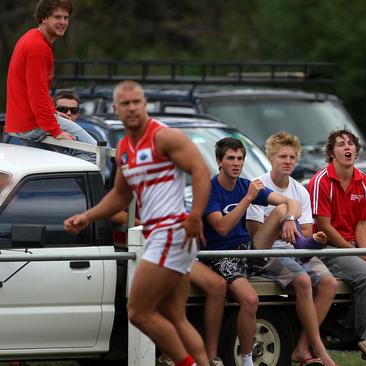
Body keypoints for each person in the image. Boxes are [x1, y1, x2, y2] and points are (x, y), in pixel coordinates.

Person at [64, 80, 211, 366]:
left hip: (172, 232)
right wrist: (87, 216)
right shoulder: (125, 149)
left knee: (138, 312)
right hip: (162, 235)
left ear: (145, 105)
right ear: (116, 109)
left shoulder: (164, 137)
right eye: (126, 103)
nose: (132, 108)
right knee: (174, 316)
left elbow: (201, 171)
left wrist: (195, 215)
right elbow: (120, 196)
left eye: (137, 102)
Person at [202, 137, 302, 366]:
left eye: (240, 159)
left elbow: (291, 202)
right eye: (231, 159)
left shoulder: (246, 185)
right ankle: (246, 359)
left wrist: (288, 219)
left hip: (248, 250)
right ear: (219, 161)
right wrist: (248, 199)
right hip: (220, 256)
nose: (236, 163)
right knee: (250, 299)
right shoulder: (211, 188)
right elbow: (222, 227)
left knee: (282, 209)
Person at [308, 129, 366, 366]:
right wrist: (358, 254)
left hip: (353, 246)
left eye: (351, 144)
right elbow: (324, 227)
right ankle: (365, 337)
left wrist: (364, 251)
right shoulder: (321, 180)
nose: (347, 148)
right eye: (340, 144)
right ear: (331, 152)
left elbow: (362, 224)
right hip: (326, 247)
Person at [246, 132, 338, 366]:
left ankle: (302, 347)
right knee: (303, 281)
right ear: (270, 158)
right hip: (268, 252)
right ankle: (319, 347)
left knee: (330, 283)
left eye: (292, 157)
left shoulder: (300, 190)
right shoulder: (259, 186)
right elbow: (255, 234)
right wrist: (285, 222)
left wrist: (316, 237)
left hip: (297, 249)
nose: (287, 161)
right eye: (282, 156)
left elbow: (306, 234)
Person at [5, 0, 96, 161]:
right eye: (57, 17)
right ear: (44, 18)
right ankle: (71, 186)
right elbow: (37, 94)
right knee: (94, 152)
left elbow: (35, 90)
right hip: (32, 122)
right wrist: (56, 130)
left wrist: (52, 112)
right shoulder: (37, 47)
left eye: (66, 18)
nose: (63, 22)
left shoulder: (33, 38)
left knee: (45, 169)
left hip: (24, 122)